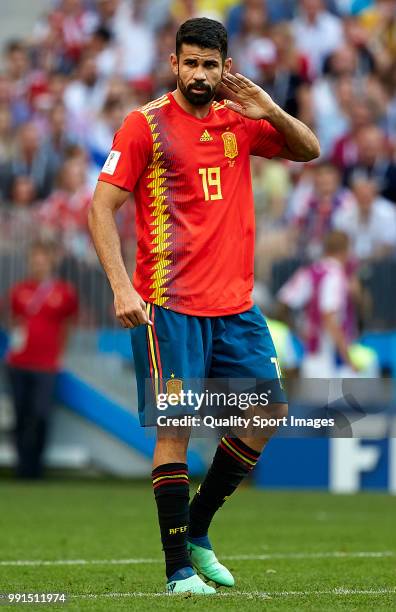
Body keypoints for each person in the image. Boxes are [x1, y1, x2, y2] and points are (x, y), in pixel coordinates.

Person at [89, 17, 319, 595]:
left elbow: (308, 150)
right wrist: (121, 286)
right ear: (174, 64)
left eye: (209, 64)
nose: (198, 74)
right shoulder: (144, 126)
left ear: (226, 67)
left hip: (235, 308)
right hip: (169, 307)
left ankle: (196, 529)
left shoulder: (240, 120)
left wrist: (270, 110)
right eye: (189, 63)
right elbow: (99, 208)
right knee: (177, 429)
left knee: (266, 414)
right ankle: (178, 572)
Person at [5, 240, 78, 479]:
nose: (38, 263)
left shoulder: (64, 292)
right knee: (20, 414)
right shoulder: (18, 290)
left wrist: (60, 353)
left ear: (50, 261)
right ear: (29, 262)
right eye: (34, 259)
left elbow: (69, 324)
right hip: (18, 363)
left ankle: (36, 467)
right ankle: (22, 467)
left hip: (47, 365)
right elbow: (13, 321)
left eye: (42, 259)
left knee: (41, 414)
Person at [277, 230, 378, 377]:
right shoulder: (335, 275)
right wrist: (348, 359)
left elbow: (282, 305)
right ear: (345, 250)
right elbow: (329, 316)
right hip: (330, 360)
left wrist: (299, 333)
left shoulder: (310, 271)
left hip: (311, 355)